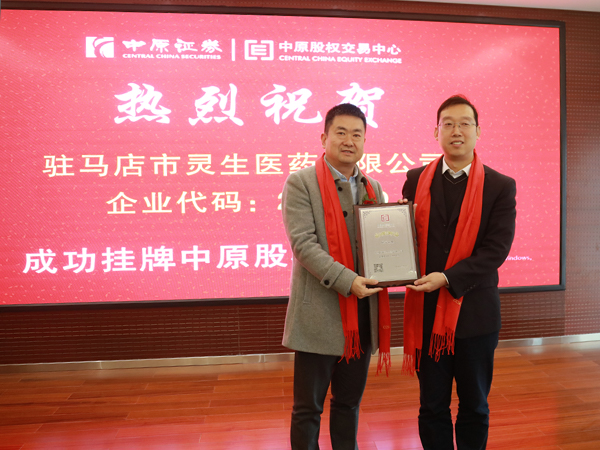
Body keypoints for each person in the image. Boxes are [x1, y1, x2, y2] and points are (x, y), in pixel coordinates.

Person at [401, 95, 517, 450]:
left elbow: (495, 250)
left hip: (475, 316)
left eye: (465, 123)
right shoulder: (415, 179)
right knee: (431, 406)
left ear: (478, 132)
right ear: (435, 131)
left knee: (474, 406)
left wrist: (448, 278)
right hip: (427, 313)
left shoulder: (500, 185)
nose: (457, 131)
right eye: (448, 124)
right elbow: (403, 239)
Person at [281, 103, 391, 450]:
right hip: (318, 315)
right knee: (307, 409)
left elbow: (381, 246)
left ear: (364, 141)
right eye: (340, 132)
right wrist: (348, 281)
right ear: (324, 137)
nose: (349, 141)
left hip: (361, 315)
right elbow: (304, 245)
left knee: (348, 404)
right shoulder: (301, 183)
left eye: (357, 134)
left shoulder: (373, 187)